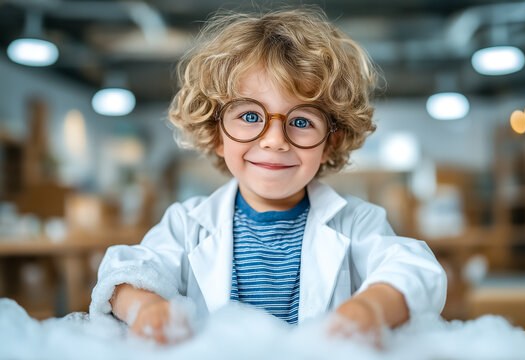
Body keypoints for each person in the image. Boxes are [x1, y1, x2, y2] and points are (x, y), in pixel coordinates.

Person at [89, 7, 447, 345]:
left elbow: (413, 270)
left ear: (330, 141)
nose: (275, 141)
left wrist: (370, 307)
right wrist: (147, 307)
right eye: (249, 117)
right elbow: (125, 274)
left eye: (302, 121)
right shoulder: (185, 225)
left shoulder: (358, 224)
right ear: (216, 134)